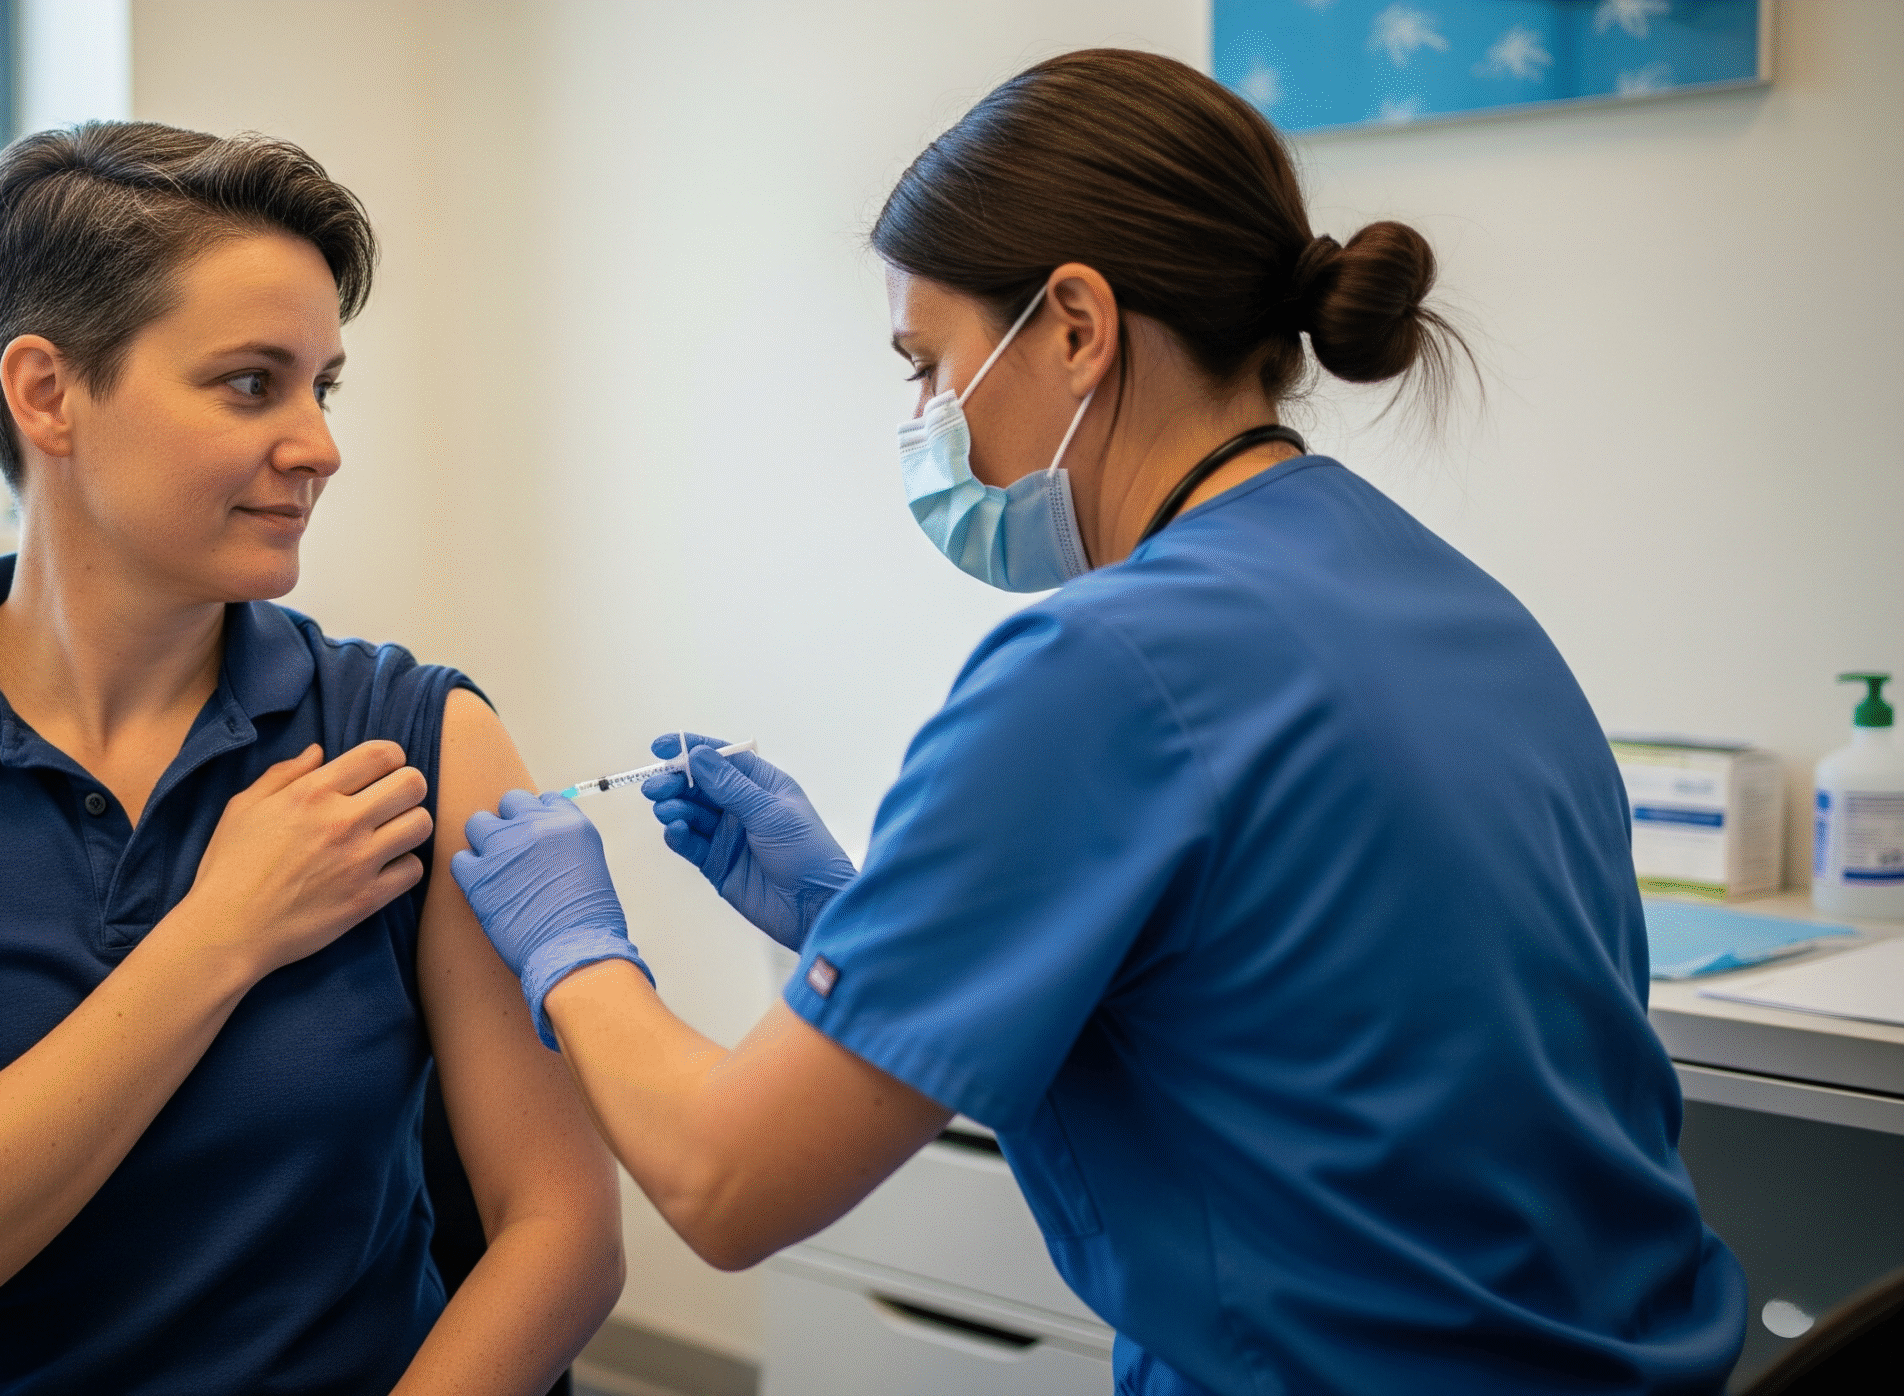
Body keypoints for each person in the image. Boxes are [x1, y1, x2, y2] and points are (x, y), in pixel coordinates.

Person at [448, 49, 1746, 1396]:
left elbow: (727, 1185)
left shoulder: (1100, 667)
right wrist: (854, 919)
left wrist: (571, 941)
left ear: (1074, 325)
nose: (922, 423)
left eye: (927, 364)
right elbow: (1286, 1032)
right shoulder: (1457, 605)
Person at [0, 123, 620, 1394]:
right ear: (47, 394)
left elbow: (559, 1231)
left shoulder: (409, 737)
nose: (319, 443)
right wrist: (221, 933)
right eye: (253, 382)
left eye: (323, 384)